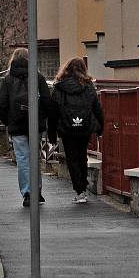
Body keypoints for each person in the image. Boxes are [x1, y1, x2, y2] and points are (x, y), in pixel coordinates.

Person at [0, 48, 52, 207]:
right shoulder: (38, 77)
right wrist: (43, 119)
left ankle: (27, 192)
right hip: (35, 125)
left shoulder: (8, 80)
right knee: (35, 157)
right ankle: (38, 191)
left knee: (22, 159)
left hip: (17, 125)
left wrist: (8, 122)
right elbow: (47, 100)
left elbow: (2, 103)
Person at [48, 57, 103, 204]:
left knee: (72, 159)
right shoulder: (88, 85)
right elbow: (97, 107)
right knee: (82, 156)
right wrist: (100, 127)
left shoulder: (59, 87)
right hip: (84, 127)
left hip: (67, 128)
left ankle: (79, 191)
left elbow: (53, 112)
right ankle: (83, 187)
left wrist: (51, 133)